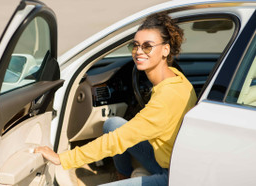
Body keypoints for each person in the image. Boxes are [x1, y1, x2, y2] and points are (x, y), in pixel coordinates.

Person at [35, 12, 197, 186]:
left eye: (147, 46)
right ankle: (123, 177)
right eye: (135, 46)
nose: (139, 52)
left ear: (165, 49)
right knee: (112, 124)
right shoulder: (177, 78)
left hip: (173, 175)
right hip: (167, 155)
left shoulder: (167, 97)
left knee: (117, 137)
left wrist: (62, 158)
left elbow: (118, 140)